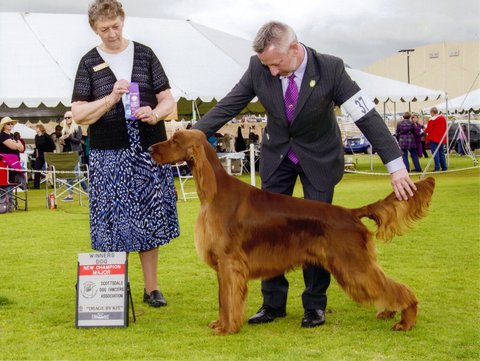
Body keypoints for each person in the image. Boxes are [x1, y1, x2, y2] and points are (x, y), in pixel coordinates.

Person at [193, 21, 417, 328]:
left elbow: (365, 115)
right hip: (278, 157)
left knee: (321, 232)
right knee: (264, 232)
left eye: (276, 64)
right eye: (266, 66)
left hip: (319, 159)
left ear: (295, 50)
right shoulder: (258, 68)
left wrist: (395, 165)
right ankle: (272, 304)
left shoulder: (331, 69)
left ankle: (315, 305)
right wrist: (190, 137)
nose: (271, 72)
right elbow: (228, 107)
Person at [71, 0, 179, 307]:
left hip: (147, 149)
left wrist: (155, 114)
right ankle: (116, 288)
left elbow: (168, 99)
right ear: (94, 29)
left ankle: (152, 288)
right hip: (109, 151)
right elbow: (79, 113)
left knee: (148, 218)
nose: (112, 34)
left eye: (116, 26)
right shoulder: (88, 62)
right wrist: (110, 98)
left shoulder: (145, 54)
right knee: (114, 220)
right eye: (104, 29)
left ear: (123, 21)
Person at [59, 111, 88, 201]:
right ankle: (73, 194)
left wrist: (69, 136)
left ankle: (82, 192)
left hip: (75, 153)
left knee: (76, 173)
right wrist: (62, 141)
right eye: (65, 118)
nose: (67, 119)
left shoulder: (77, 127)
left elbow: (78, 140)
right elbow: (66, 144)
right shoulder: (64, 130)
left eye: (69, 117)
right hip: (67, 154)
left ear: (72, 118)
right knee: (72, 173)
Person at [0, 117, 25, 204]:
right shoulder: (2, 135)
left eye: (11, 123)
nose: (10, 125)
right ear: (3, 126)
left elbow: (22, 148)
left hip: (14, 164)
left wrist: (16, 144)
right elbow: (13, 147)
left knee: (12, 183)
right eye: (8, 123)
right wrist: (16, 144)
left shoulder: (13, 136)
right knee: (6, 183)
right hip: (5, 164)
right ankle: (6, 203)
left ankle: (10, 202)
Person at [33, 124, 56, 189]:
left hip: (48, 154)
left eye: (36, 128)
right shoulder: (36, 137)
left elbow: (53, 146)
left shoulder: (47, 136)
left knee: (51, 169)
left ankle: (53, 183)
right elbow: (37, 147)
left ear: (40, 128)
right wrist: (37, 154)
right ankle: (36, 186)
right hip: (40, 155)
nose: (35, 129)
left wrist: (52, 155)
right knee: (36, 168)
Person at [425, 107, 447, 171]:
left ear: (432, 112)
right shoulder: (443, 118)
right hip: (441, 138)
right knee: (441, 153)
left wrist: (424, 130)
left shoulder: (431, 120)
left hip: (433, 138)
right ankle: (444, 167)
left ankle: (437, 167)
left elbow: (429, 129)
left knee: (435, 153)